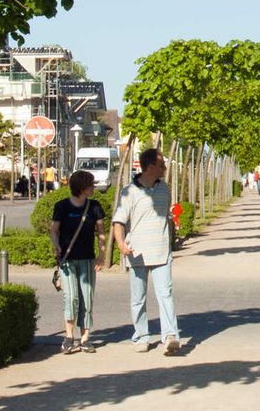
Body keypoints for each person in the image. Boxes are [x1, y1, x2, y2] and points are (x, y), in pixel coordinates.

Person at [113, 146, 184, 354]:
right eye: (161, 165)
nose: (164, 168)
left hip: (162, 252)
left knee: (166, 294)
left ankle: (170, 336)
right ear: (150, 167)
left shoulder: (164, 188)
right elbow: (118, 220)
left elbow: (167, 217)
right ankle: (141, 336)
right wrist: (120, 244)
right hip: (137, 253)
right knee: (138, 297)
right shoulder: (129, 192)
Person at [50, 170, 104, 353]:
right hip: (67, 260)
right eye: (91, 184)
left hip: (88, 258)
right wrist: (56, 245)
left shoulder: (95, 206)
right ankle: (69, 336)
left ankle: (85, 337)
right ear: (82, 187)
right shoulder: (62, 207)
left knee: (87, 297)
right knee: (71, 297)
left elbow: (101, 233)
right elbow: (54, 230)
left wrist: (102, 254)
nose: (94, 187)